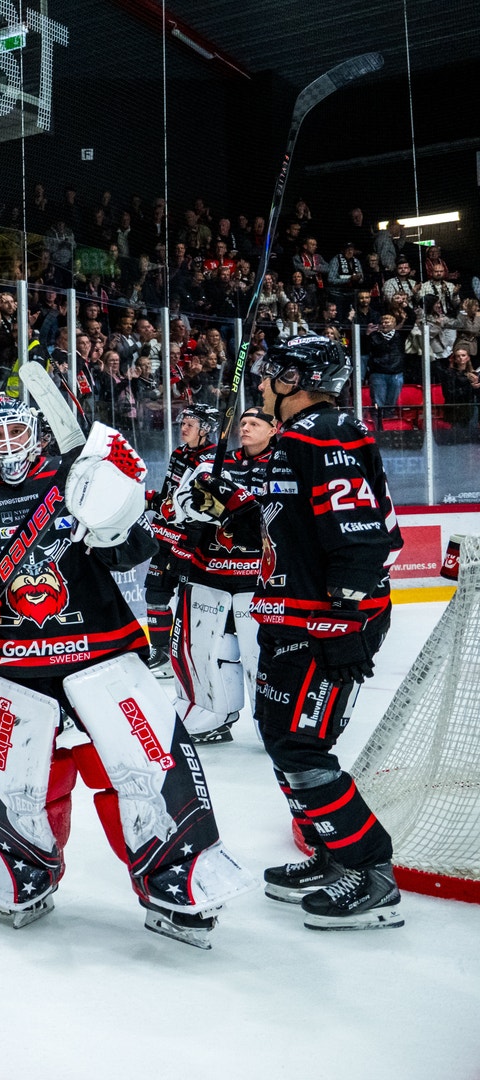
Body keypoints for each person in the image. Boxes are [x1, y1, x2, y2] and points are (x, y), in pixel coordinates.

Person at [0, 392, 248, 947]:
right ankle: (21, 871)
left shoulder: (73, 477)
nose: (8, 446)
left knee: (142, 766)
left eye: (17, 432)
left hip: (99, 650)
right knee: (19, 781)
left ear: (36, 432)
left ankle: (176, 878)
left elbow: (134, 550)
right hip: (11, 664)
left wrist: (114, 512)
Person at [211, 334, 405, 930]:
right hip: (293, 615)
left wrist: (344, 620)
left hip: (325, 622)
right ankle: (331, 850)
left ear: (296, 380)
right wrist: (228, 506)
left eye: (272, 374)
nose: (262, 383)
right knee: (280, 736)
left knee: (300, 745)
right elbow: (285, 525)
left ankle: (370, 871)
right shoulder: (296, 439)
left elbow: (360, 535)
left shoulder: (326, 433)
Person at [163, 405, 274, 746]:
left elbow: (279, 513)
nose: (246, 428)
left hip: (257, 578)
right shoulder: (212, 464)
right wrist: (201, 505)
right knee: (203, 648)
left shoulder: (283, 465)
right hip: (207, 572)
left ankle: (272, 722)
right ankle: (208, 713)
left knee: (259, 654)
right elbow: (177, 504)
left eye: (255, 423)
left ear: (273, 430)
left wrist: (231, 504)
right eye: (243, 422)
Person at [142, 402, 221, 680]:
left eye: (190, 424)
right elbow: (168, 493)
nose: (183, 428)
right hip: (166, 535)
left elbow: (206, 507)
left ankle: (187, 654)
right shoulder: (179, 453)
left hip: (192, 539)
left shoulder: (212, 460)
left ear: (205, 429)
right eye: (183, 423)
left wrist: (189, 534)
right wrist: (150, 500)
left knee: (188, 601)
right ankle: (161, 653)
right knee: (155, 593)